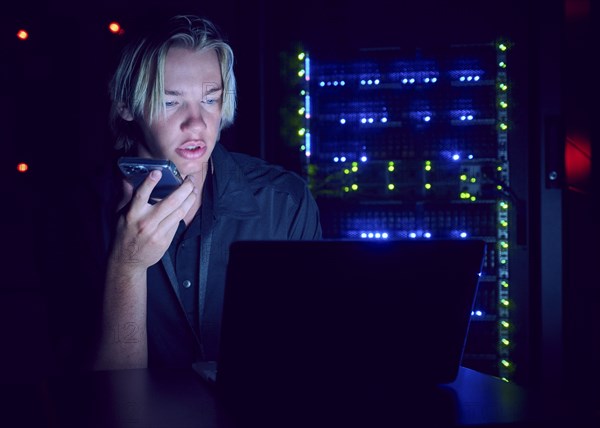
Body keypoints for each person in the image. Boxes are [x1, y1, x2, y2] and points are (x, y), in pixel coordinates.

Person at [78, 14, 322, 371]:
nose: (197, 123)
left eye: (210, 100)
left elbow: (313, 356)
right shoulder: (79, 213)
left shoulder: (284, 202)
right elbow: (106, 400)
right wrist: (127, 267)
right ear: (126, 106)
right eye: (170, 101)